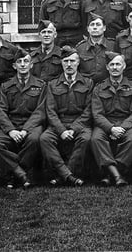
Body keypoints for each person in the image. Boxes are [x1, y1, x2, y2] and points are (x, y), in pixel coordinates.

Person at [0, 48, 46, 188]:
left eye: (26, 61)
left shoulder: (41, 85)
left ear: (31, 65)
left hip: (31, 124)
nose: (22, 64)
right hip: (11, 123)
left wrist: (26, 130)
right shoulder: (6, 86)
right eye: (19, 62)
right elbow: (0, 111)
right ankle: (21, 174)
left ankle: (13, 175)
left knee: (34, 140)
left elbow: (40, 111)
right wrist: (11, 130)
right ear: (14, 66)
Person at [40, 46, 93, 186]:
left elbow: (88, 111)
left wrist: (74, 128)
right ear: (61, 63)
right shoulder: (52, 84)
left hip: (80, 123)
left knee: (86, 138)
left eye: (72, 61)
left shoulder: (88, 83)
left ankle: (63, 175)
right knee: (45, 138)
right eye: (65, 61)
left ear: (78, 62)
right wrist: (62, 130)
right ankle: (68, 176)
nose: (69, 65)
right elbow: (50, 111)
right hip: (59, 123)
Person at [90, 51, 132, 186]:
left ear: (124, 66)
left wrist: (122, 128)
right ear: (107, 67)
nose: (115, 67)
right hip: (105, 123)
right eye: (111, 64)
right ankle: (118, 175)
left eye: (118, 64)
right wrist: (111, 128)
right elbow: (97, 114)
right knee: (96, 139)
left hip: (126, 123)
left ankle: (110, 173)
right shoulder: (99, 87)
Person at [75, 13, 115, 84]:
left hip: (107, 86)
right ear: (88, 29)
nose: (95, 27)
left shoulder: (113, 46)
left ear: (104, 28)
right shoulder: (80, 48)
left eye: (98, 25)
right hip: (85, 86)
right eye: (92, 25)